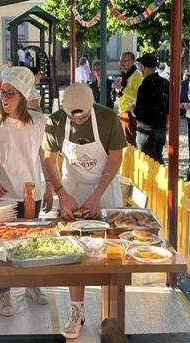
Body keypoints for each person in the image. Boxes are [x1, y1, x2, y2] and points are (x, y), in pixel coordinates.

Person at [42, 83, 127, 339]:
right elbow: (48, 159)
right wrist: (61, 192)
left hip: (104, 187)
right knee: (74, 253)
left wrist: (97, 194)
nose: (77, 119)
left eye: (82, 114)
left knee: (107, 253)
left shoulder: (108, 118)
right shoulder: (55, 122)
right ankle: (76, 310)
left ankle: (110, 315)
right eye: (72, 115)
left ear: (91, 106)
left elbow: (115, 158)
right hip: (72, 187)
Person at [0, 67, 52, 316]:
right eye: (1, 93)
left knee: (32, 243)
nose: (3, 98)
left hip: (32, 193)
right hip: (2, 195)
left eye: (10, 94)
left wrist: (50, 187)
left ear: (22, 95)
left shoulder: (39, 122)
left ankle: (32, 285)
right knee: (2, 246)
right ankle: (4, 293)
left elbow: (46, 158)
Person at [133, 53, 170, 164]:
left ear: (143, 67)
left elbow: (139, 112)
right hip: (161, 127)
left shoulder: (144, 87)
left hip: (146, 130)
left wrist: (132, 109)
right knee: (158, 159)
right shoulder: (165, 83)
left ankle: (152, 182)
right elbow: (168, 106)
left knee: (147, 163)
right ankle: (163, 181)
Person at [114, 51, 143, 146]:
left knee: (130, 142)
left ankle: (133, 160)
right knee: (125, 142)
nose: (121, 63)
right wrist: (116, 91)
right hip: (122, 111)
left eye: (124, 61)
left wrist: (121, 88)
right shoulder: (124, 75)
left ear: (132, 61)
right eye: (120, 61)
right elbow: (123, 94)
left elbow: (137, 95)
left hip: (130, 112)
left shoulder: (137, 75)